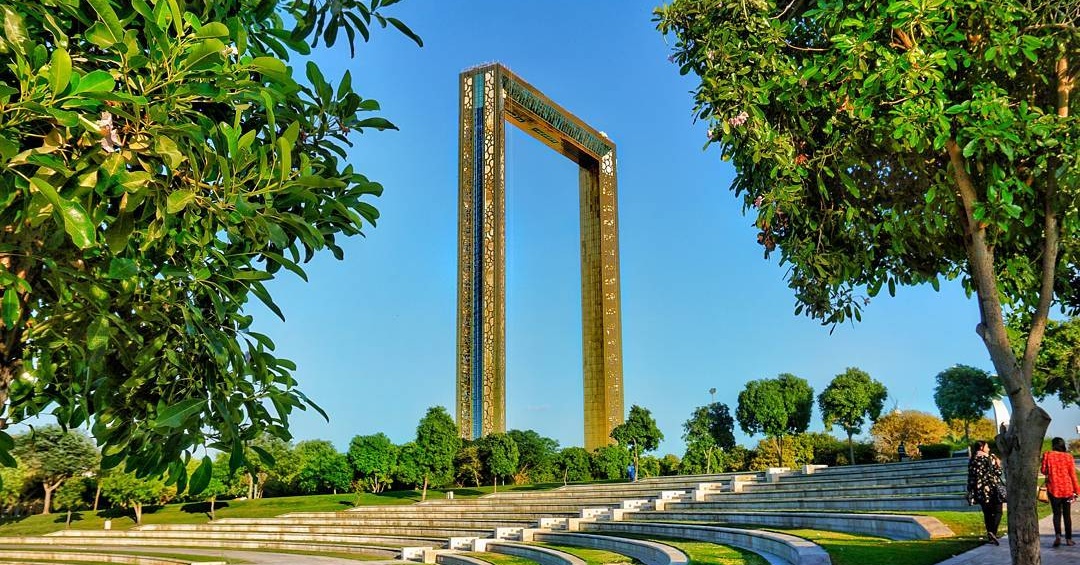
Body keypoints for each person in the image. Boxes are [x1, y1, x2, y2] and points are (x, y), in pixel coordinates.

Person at [1041, 437, 1080, 547]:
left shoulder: (1047, 455)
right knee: (1067, 515)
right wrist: (1077, 490)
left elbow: (1043, 471)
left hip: (1053, 489)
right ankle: (1068, 539)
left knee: (1056, 514)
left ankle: (1058, 536)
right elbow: (1073, 474)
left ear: (1053, 445)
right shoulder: (1068, 457)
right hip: (1067, 489)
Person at [967, 440, 1006, 545]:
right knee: (998, 511)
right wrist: (998, 464)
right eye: (987, 447)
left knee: (987, 513)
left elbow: (971, 477)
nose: (988, 449)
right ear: (982, 447)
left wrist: (970, 490)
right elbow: (998, 473)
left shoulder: (972, 460)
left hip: (979, 491)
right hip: (992, 489)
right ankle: (993, 532)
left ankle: (990, 535)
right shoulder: (990, 458)